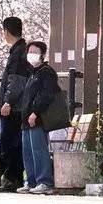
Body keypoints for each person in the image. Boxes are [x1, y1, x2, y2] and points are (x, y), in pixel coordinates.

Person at [0, 17, 29, 192]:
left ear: (6, 31)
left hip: (13, 107)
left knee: (9, 142)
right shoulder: (22, 50)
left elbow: (15, 81)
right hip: (18, 106)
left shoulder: (17, 53)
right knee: (14, 142)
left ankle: (9, 179)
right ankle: (13, 179)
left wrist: (7, 102)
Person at [17, 41, 58, 195]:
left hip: (37, 118)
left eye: (35, 51)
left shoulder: (46, 72)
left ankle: (44, 182)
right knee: (28, 151)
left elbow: (46, 95)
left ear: (42, 54)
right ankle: (31, 181)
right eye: (30, 51)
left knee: (39, 150)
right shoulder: (32, 73)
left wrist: (35, 112)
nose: (31, 54)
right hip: (27, 120)